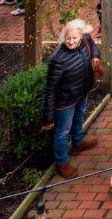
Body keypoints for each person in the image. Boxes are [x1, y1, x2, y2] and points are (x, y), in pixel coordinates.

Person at [41, 19, 100, 179]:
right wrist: (48, 118)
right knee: (62, 132)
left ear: (81, 35)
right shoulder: (57, 59)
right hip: (65, 101)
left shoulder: (85, 39)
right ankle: (62, 162)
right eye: (68, 38)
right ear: (64, 37)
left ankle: (78, 142)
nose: (71, 41)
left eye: (75, 38)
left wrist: (95, 56)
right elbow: (50, 88)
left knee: (79, 117)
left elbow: (93, 45)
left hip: (82, 91)